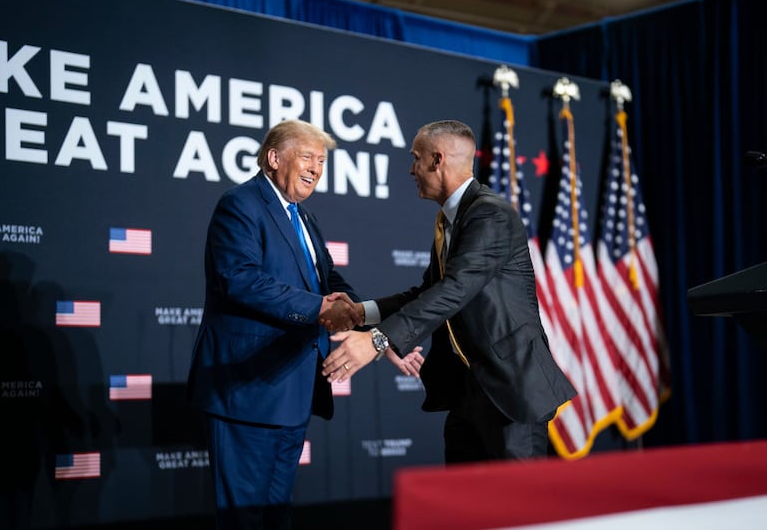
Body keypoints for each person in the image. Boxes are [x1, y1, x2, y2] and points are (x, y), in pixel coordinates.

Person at [322, 119, 577, 463]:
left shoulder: (490, 214)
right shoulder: (450, 219)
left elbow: (455, 291)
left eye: (415, 158)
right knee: (468, 512)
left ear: (437, 160)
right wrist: (360, 313)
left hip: (509, 392)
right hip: (466, 393)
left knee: (519, 511)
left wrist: (378, 340)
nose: (411, 169)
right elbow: (429, 291)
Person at [187, 119, 366, 529]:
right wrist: (321, 309)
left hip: (292, 390)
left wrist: (361, 312)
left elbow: (328, 280)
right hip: (247, 389)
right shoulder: (241, 204)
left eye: (321, 161)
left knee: (275, 515)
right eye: (307, 157)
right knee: (244, 518)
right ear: (273, 158)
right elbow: (240, 279)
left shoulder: (305, 217)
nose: (316, 169)